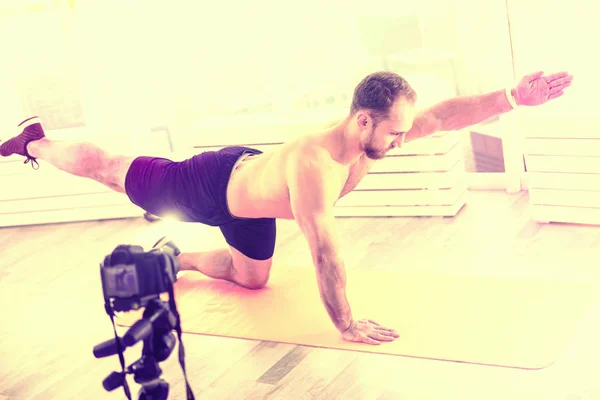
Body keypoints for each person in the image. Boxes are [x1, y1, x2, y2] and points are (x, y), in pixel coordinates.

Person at [0, 70, 573, 345]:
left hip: (251, 200)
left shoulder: (373, 136)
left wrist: (513, 99)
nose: (403, 140)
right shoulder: (315, 167)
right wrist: (346, 324)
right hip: (206, 184)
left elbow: (444, 116)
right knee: (110, 169)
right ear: (363, 119)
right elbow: (326, 253)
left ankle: (174, 261)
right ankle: (36, 140)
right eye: (395, 133)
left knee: (252, 281)